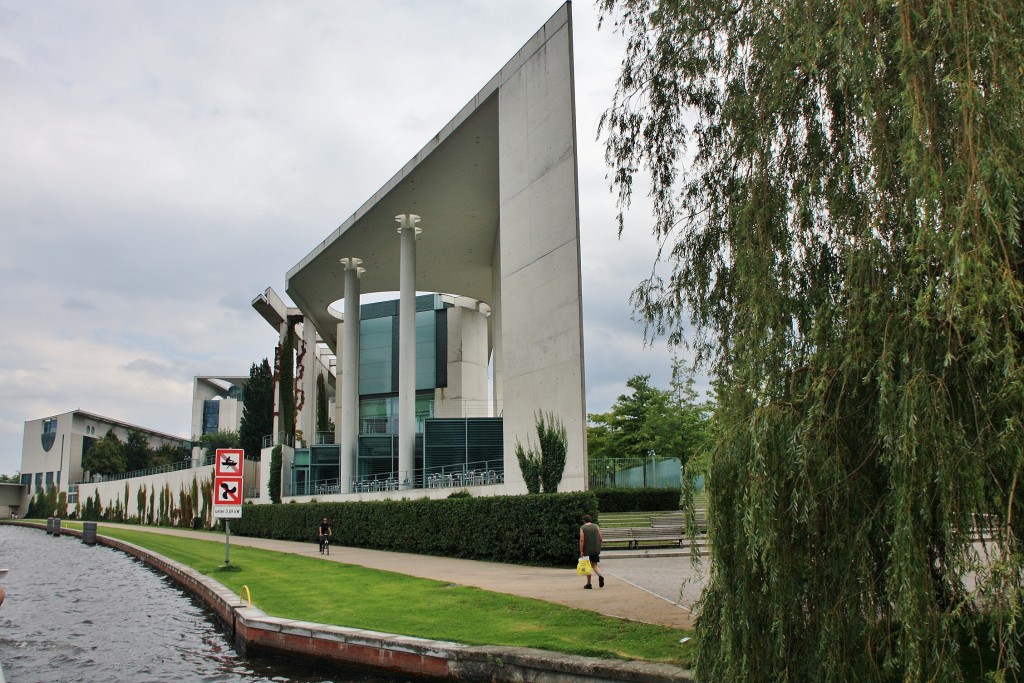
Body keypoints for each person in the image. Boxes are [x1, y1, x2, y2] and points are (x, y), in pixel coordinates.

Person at [579, 514, 604, 589]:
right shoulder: (596, 526)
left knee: (587, 567)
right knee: (594, 565)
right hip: (595, 549)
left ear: (584, 521)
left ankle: (589, 584)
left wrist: (581, 551)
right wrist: (599, 547)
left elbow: (582, 540)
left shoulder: (582, 528)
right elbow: (601, 538)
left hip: (587, 550)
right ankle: (600, 576)